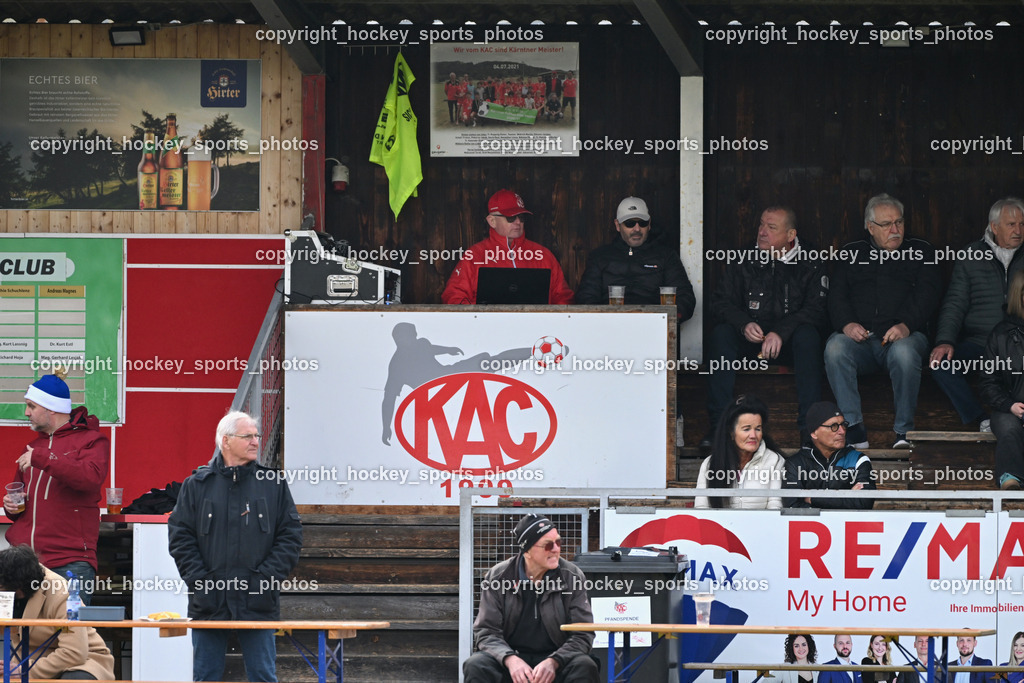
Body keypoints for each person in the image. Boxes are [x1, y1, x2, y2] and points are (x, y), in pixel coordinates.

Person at [168, 411, 303, 683]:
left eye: (256, 436)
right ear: (226, 441)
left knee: (263, 676)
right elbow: (180, 537)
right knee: (205, 677)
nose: (255, 442)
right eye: (248, 436)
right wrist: (201, 582)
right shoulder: (197, 485)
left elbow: (290, 537)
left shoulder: (273, 484)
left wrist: (265, 579)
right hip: (209, 601)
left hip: (259, 600)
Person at [825, 193, 941, 449]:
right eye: (886, 224)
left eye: (899, 222)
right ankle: (854, 429)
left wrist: (906, 324)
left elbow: (928, 295)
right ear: (870, 227)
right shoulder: (851, 253)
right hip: (862, 342)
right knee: (835, 347)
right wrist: (847, 324)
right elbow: (836, 296)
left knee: (905, 353)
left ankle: (903, 433)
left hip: (905, 337)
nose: (895, 229)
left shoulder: (921, 250)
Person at [704, 206, 828, 446]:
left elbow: (818, 310)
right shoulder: (743, 257)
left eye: (771, 228)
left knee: (809, 337)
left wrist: (781, 332)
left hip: (790, 343)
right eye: (761, 225)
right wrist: (743, 324)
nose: (762, 232)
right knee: (721, 335)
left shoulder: (811, 260)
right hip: (751, 341)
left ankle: (809, 433)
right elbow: (719, 301)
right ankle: (720, 428)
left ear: (791, 235)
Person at [3, 372, 109, 606]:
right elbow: (19, 500)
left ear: (51, 408)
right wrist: (11, 506)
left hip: (70, 561)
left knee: (70, 635)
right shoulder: (32, 446)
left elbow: (90, 478)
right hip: (26, 563)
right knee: (20, 635)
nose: (26, 412)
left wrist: (43, 458)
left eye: (31, 406)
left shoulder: (91, 441)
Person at [463, 514, 599, 683]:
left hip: (557, 661)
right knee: (476, 664)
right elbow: (486, 631)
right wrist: (510, 660)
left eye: (558, 542)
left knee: (585, 665)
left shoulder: (571, 576)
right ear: (526, 550)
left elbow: (583, 633)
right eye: (548, 545)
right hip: (511, 661)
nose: (556, 549)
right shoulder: (499, 577)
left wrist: (555, 661)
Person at [930, 198, 1024, 432]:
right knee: (939, 365)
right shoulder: (971, 255)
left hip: (1020, 344)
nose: (1019, 230)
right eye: (1011, 224)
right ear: (994, 227)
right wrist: (945, 340)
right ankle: (982, 419)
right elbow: (955, 303)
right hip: (980, 343)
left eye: (1022, 224)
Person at [0, 545, 114, 680]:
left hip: (82, 662)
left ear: (18, 584)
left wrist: (23, 670)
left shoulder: (61, 592)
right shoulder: (9, 585)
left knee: (73, 679)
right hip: (30, 662)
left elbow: (74, 653)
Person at [442, 190, 574, 305]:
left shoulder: (543, 255)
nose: (518, 222)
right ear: (492, 221)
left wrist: (548, 322)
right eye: (510, 217)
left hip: (536, 332)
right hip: (488, 331)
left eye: (521, 217)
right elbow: (453, 297)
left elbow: (563, 298)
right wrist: (480, 320)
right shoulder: (474, 255)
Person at [575, 196, 696, 316]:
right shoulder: (600, 256)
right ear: (618, 225)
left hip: (653, 327)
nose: (637, 229)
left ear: (649, 224)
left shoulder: (666, 255)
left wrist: (669, 318)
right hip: (609, 326)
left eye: (642, 223)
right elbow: (586, 298)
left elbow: (685, 297)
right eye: (630, 223)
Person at [695, 396, 784, 510]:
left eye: (758, 429)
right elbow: (701, 509)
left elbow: (775, 507)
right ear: (731, 433)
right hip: (721, 527)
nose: (753, 435)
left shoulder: (775, 461)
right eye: (746, 429)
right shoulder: (710, 464)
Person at [979, 270, 1024, 490]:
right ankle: (1011, 481)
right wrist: (1010, 405)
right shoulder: (1000, 335)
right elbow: (988, 382)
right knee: (1009, 429)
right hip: (1009, 409)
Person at [784, 401, 875, 509]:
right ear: (814, 433)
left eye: (843, 424)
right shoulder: (795, 464)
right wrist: (847, 497)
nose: (842, 431)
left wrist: (812, 498)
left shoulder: (858, 460)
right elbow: (793, 507)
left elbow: (864, 503)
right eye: (834, 426)